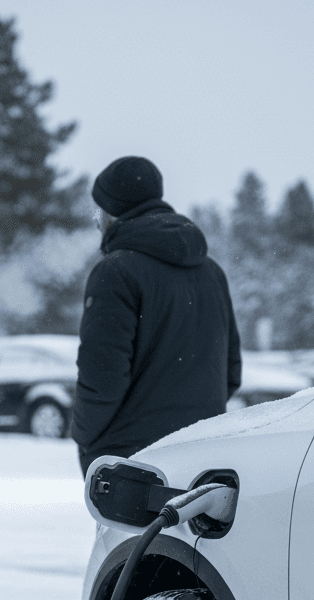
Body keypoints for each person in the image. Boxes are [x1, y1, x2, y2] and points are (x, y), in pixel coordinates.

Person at [72, 156, 241, 477]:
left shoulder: (115, 272)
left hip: (132, 463)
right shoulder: (212, 272)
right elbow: (230, 373)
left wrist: (84, 439)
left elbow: (101, 379)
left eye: (99, 209)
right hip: (203, 457)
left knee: (134, 532)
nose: (96, 219)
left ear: (112, 211)